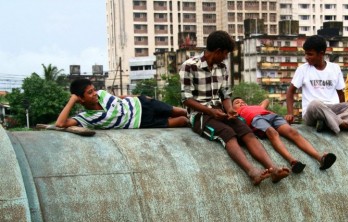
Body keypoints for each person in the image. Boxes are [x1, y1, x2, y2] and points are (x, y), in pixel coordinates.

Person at [179, 30, 290, 185]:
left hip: (219, 110)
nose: (226, 57)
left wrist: (230, 109)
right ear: (218, 51)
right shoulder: (189, 66)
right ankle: (252, 173)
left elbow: (225, 94)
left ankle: (273, 169)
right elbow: (186, 99)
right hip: (200, 115)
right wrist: (210, 111)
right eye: (225, 53)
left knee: (246, 131)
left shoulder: (222, 67)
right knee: (228, 133)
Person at [286, 35, 348, 135]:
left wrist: (343, 107)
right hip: (313, 112)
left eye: (310, 54)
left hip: (333, 109)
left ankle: (328, 123)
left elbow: (341, 94)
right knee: (315, 104)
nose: (306, 57)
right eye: (306, 54)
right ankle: (345, 124)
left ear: (321, 54)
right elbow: (290, 92)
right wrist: (290, 113)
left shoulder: (335, 68)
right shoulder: (303, 69)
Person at [233, 97, 337, 173]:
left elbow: (266, 100)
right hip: (255, 119)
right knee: (272, 133)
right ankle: (292, 161)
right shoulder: (236, 113)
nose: (241, 103)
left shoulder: (256, 107)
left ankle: (320, 158)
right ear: (233, 108)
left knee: (293, 132)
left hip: (271, 116)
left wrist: (257, 106)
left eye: (243, 101)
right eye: (237, 103)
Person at [55, 78, 189, 129]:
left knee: (180, 111)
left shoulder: (101, 93)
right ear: (80, 99)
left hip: (142, 104)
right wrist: (72, 100)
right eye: (89, 93)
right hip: (141, 121)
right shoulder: (86, 117)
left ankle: (204, 117)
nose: (94, 93)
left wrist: (141, 97)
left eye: (93, 90)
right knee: (182, 121)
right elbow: (60, 124)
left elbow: (121, 97)